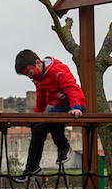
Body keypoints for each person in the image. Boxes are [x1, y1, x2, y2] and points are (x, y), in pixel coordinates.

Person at [14, 50, 84, 179]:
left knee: (52, 119)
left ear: (38, 63)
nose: (30, 77)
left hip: (75, 103)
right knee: (38, 127)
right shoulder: (38, 78)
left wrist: (75, 107)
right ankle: (32, 167)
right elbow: (41, 98)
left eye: (30, 73)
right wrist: (37, 116)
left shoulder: (57, 69)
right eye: (27, 75)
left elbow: (70, 87)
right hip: (60, 106)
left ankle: (63, 147)